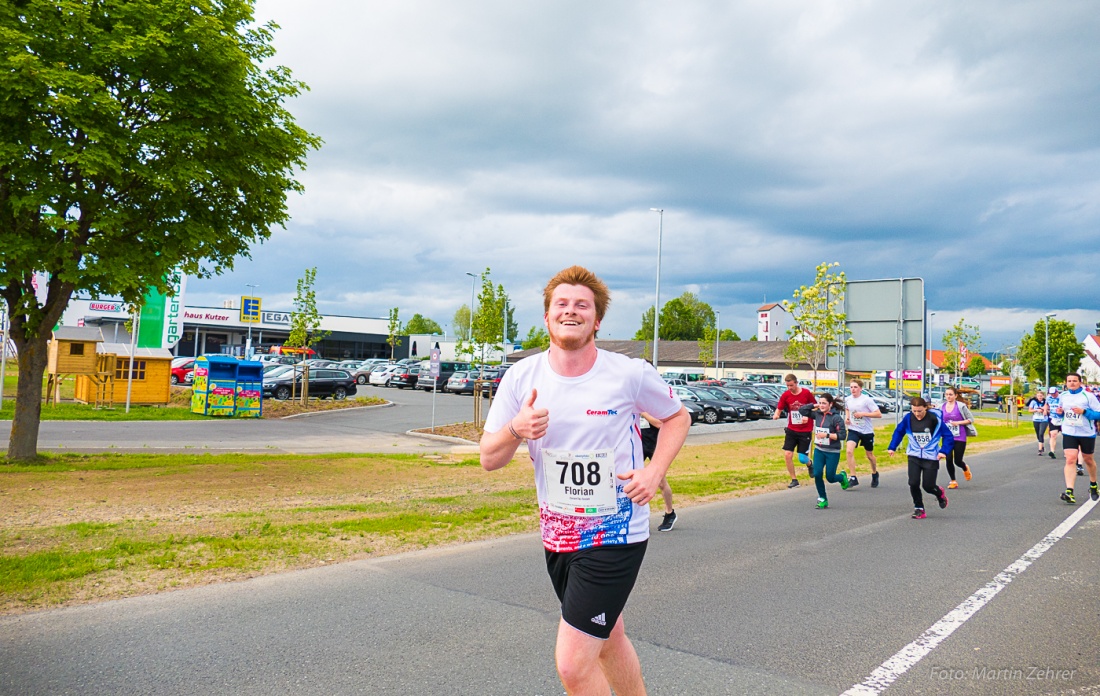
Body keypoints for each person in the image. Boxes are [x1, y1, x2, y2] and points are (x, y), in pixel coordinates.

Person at [480, 265, 691, 695]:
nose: (571, 311)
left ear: (597, 320)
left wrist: (654, 472)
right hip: (558, 534)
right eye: (562, 304)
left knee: (574, 665)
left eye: (582, 305)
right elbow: (489, 457)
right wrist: (517, 428)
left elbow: (677, 416)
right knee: (609, 640)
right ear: (547, 317)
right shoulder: (522, 377)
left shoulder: (628, 373)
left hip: (616, 530)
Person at [886, 397, 954, 519]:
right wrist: (892, 447)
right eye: (914, 411)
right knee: (913, 483)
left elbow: (948, 436)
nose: (917, 414)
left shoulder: (934, 419)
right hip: (914, 455)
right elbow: (899, 431)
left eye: (920, 411)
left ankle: (939, 493)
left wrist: (943, 451)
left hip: (931, 457)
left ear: (925, 408)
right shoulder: (908, 418)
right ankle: (919, 508)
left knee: (928, 486)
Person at [1053, 373, 1100, 504]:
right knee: (1070, 458)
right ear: (1066, 383)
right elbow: (1062, 412)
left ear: (1080, 382)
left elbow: (1098, 414)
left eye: (1074, 381)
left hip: (1086, 432)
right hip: (1069, 431)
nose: (1072, 383)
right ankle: (1069, 491)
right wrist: (1060, 412)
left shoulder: (1088, 396)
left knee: (1088, 459)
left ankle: (1093, 484)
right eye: (1069, 381)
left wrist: (1084, 412)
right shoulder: (1063, 396)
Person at [799, 393, 849, 508]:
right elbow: (802, 410)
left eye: (824, 403)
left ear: (830, 404)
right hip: (819, 450)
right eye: (820, 403)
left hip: (832, 451)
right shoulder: (817, 414)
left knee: (830, 478)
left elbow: (842, 435)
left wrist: (826, 435)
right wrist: (815, 405)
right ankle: (823, 498)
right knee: (817, 474)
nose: (821, 405)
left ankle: (842, 477)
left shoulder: (836, 418)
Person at [772, 373, 816, 488]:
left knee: (802, 458)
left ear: (796, 383)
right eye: (787, 386)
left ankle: (810, 464)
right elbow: (780, 407)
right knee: (787, 454)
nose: (790, 388)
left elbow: (815, 406)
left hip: (805, 430)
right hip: (792, 429)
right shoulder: (786, 395)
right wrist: (776, 414)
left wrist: (808, 415)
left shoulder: (806, 393)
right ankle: (794, 479)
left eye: (791, 385)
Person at [640, 412, 677, 531]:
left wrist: (643, 413)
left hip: (655, 445)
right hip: (638, 445)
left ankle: (669, 513)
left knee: (660, 482)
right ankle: (638, 519)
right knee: (631, 481)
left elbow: (660, 424)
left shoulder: (652, 405)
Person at [842, 378, 881, 488]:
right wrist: (847, 417)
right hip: (854, 429)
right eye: (851, 387)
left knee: (869, 455)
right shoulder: (848, 399)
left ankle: (874, 473)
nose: (853, 389)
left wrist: (863, 414)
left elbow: (878, 414)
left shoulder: (866, 400)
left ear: (860, 389)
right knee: (849, 451)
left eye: (855, 387)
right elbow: (847, 409)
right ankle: (853, 477)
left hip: (866, 431)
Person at [938, 386, 974, 489]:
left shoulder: (961, 406)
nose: (948, 397)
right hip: (947, 438)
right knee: (948, 459)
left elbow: (971, 419)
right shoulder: (941, 407)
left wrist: (958, 423)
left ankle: (965, 468)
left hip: (960, 436)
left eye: (950, 395)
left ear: (955, 396)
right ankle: (953, 481)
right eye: (947, 395)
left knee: (957, 460)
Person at [1027, 390, 1050, 456]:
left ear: (1043, 396)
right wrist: (1036, 410)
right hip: (1036, 419)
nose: (1040, 397)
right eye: (1038, 396)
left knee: (1041, 433)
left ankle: (1040, 450)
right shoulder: (1033, 402)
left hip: (1044, 420)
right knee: (1038, 434)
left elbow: (1049, 410)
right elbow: (1030, 410)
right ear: (1036, 396)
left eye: (1041, 396)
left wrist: (1045, 410)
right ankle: (1041, 445)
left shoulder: (1046, 402)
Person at [1048, 386, 1064, 462]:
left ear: (1057, 392)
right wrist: (1045, 410)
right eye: (1051, 394)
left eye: (1054, 393)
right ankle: (1052, 451)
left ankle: (1066, 451)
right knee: (1053, 434)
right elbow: (1046, 405)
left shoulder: (1062, 398)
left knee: (1065, 436)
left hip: (1063, 419)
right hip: (1053, 418)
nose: (1053, 395)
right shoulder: (1049, 398)